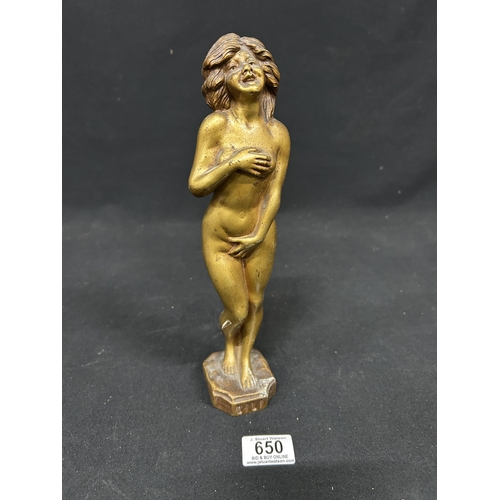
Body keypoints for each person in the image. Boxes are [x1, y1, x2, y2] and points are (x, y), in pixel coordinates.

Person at [189, 33, 290, 389]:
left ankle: (244, 357)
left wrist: (259, 233)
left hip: (260, 231)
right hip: (221, 234)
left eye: (252, 63)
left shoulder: (277, 134)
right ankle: (229, 342)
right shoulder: (216, 126)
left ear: (267, 73)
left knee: (256, 301)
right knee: (237, 309)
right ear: (223, 82)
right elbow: (197, 184)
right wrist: (235, 161)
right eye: (234, 66)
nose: (246, 68)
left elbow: (274, 193)